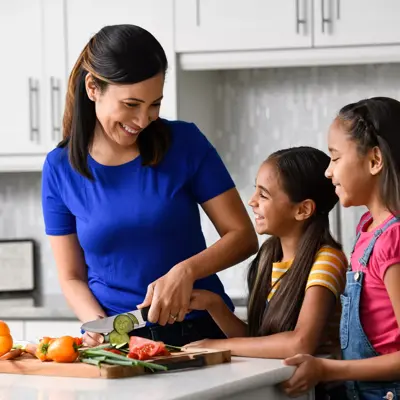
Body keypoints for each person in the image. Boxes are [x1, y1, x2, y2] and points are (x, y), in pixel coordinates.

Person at [41, 24, 258, 347]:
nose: (143, 120)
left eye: (154, 104)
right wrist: (99, 329)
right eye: (131, 104)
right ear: (92, 88)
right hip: (119, 344)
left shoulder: (185, 143)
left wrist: (185, 271)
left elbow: (243, 237)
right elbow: (71, 276)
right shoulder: (60, 168)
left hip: (199, 335)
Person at [281, 97, 400, 400]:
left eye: (335, 158)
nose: (328, 172)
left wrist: (327, 369)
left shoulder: (393, 240)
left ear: (375, 161)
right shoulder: (366, 229)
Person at [185, 147, 347, 368]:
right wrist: (214, 305)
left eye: (263, 194)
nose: (252, 201)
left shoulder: (327, 260)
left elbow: (300, 343)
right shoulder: (268, 256)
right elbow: (258, 340)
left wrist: (215, 345)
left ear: (303, 209)